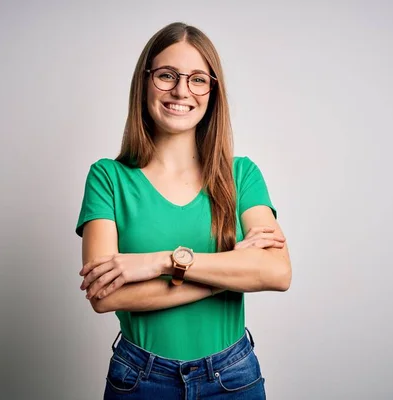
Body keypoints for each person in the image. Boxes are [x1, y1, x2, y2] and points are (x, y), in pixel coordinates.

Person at [75, 22, 292, 399]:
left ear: (212, 90)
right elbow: (105, 296)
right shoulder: (107, 178)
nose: (181, 90)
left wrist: (160, 263)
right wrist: (233, 269)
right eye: (166, 76)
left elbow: (276, 271)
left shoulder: (241, 175)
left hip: (232, 378)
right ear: (144, 82)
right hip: (140, 379)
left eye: (197, 79)